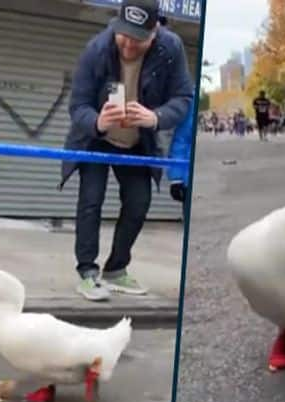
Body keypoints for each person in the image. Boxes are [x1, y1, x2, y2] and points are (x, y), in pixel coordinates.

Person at [60, 0, 194, 301]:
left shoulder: (171, 49)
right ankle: (88, 273)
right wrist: (97, 121)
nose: (129, 44)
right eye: (124, 34)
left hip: (137, 141)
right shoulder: (97, 48)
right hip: (95, 138)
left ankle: (116, 269)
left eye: (139, 38)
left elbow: (183, 97)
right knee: (90, 202)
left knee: (138, 203)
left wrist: (156, 117)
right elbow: (77, 105)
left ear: (155, 29)